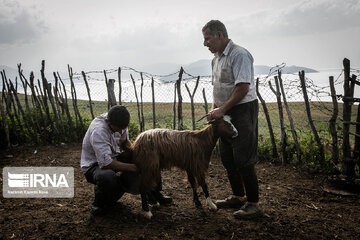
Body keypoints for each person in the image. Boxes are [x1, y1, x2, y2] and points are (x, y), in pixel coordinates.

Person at [202, 20, 262, 219]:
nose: (205, 43)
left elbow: (242, 88)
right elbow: (217, 88)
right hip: (223, 111)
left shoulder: (239, 54)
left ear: (220, 35)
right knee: (228, 157)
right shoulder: (216, 59)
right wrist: (214, 110)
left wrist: (223, 109)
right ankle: (238, 196)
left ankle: (253, 204)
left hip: (242, 110)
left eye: (207, 38)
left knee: (243, 158)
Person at [80, 105, 172, 216]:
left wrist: (139, 154)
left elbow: (124, 142)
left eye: (123, 128)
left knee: (149, 160)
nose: (121, 131)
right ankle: (98, 204)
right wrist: (134, 168)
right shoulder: (99, 131)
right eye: (118, 129)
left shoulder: (119, 121)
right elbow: (105, 163)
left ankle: (155, 193)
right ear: (108, 121)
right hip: (94, 165)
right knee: (107, 176)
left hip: (114, 156)